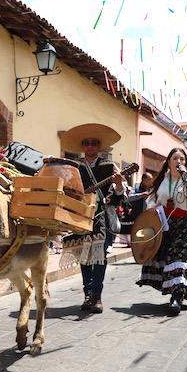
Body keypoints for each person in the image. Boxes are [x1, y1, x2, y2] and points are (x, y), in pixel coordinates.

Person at [60, 123, 126, 314]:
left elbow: (118, 197)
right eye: (86, 143)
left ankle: (96, 295)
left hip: (101, 218)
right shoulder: (75, 167)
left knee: (99, 256)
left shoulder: (108, 167)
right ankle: (87, 295)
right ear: (83, 146)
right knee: (84, 256)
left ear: (99, 146)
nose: (90, 146)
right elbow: (67, 190)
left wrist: (120, 184)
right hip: (79, 216)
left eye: (94, 143)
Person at [138, 148, 187, 316]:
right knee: (166, 255)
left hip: (184, 223)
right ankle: (171, 289)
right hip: (164, 222)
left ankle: (177, 297)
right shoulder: (162, 179)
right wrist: (152, 208)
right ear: (169, 161)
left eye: (182, 158)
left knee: (179, 255)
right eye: (175, 158)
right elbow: (152, 198)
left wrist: (185, 178)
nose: (178, 161)